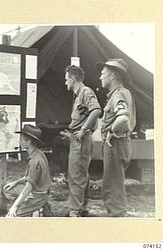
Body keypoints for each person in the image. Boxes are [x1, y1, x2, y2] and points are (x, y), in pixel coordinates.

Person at [60, 65, 101, 217]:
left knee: (76, 175)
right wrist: (72, 134)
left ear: (72, 79)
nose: (65, 83)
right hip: (78, 139)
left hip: (82, 140)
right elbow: (86, 117)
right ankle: (82, 208)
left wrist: (84, 130)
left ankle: (74, 211)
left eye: (66, 80)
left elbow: (96, 110)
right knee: (81, 173)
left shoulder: (86, 92)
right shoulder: (79, 95)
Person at [96, 58, 136, 217]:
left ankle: (118, 218)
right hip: (119, 143)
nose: (100, 77)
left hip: (116, 143)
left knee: (112, 184)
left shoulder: (118, 95)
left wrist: (111, 131)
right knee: (114, 183)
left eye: (102, 74)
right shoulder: (121, 93)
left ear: (111, 76)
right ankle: (118, 215)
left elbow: (123, 118)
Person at [3, 124, 52, 217]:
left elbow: (28, 188)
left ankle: (37, 208)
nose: (19, 141)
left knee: (12, 217)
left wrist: (14, 206)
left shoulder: (35, 161)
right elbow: (30, 177)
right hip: (38, 191)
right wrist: (16, 182)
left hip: (37, 195)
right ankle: (34, 209)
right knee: (7, 189)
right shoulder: (39, 153)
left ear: (28, 142)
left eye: (21, 139)